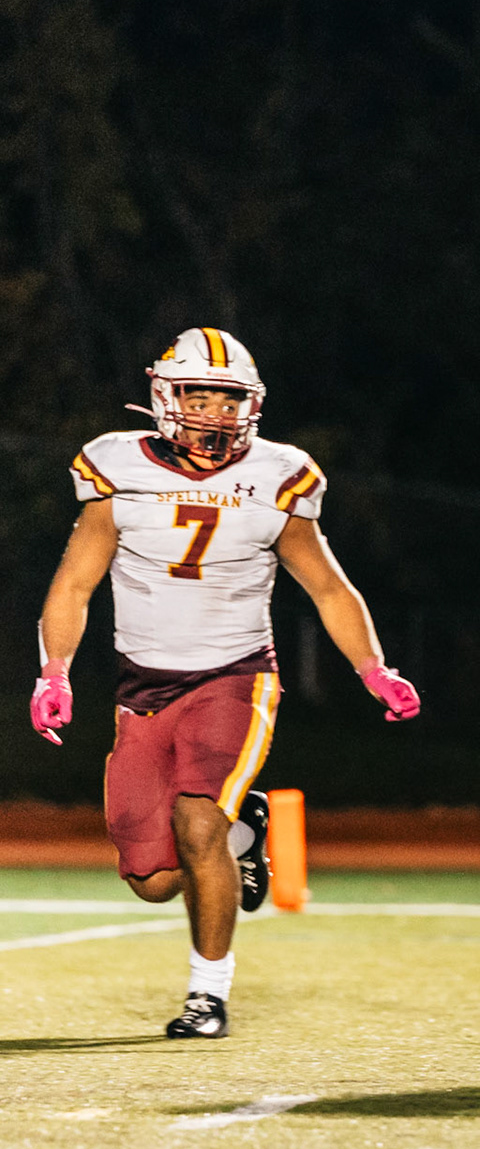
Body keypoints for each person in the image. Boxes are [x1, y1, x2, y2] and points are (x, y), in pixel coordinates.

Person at [30, 327, 419, 1039]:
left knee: (196, 821)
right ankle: (245, 835)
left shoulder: (278, 475)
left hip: (236, 677)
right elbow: (74, 584)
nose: (215, 413)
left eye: (229, 400)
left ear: (252, 405)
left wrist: (374, 668)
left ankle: (207, 996)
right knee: (150, 879)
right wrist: (53, 671)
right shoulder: (116, 467)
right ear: (164, 398)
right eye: (200, 398)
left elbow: (328, 588)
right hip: (142, 688)